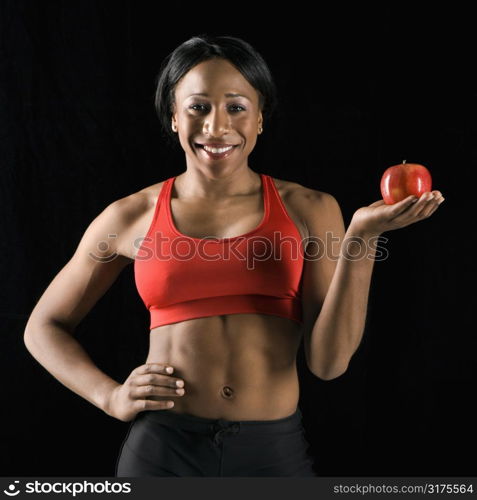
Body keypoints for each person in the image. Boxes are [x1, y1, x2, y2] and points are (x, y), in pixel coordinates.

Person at [23, 34, 445, 477]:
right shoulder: (131, 215)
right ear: (173, 117)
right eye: (198, 106)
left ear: (260, 118)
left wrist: (362, 238)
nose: (216, 126)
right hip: (161, 451)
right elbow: (42, 327)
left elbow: (328, 363)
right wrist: (109, 396)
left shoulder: (309, 209)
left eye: (236, 107)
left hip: (273, 453)